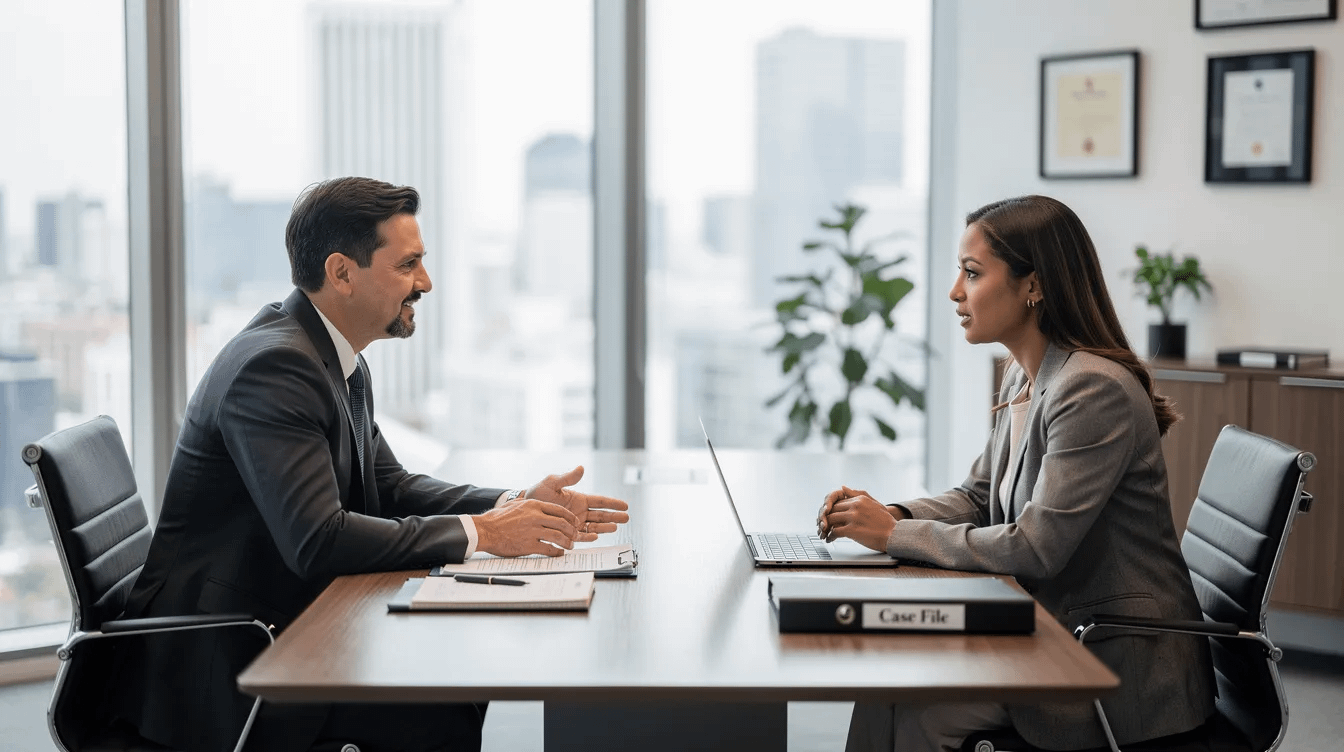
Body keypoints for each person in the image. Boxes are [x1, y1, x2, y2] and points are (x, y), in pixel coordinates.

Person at [111, 177, 630, 752]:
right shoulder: (276, 368)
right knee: (442, 699)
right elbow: (319, 540)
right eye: (408, 265)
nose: (425, 283)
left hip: (291, 625)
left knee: (449, 680)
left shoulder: (332, 356)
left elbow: (390, 484)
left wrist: (512, 505)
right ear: (341, 273)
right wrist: (485, 533)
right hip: (227, 669)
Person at [819, 195, 1216, 752]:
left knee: (920, 714)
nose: (955, 291)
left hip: (1115, 662)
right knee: (887, 690)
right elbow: (978, 496)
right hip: (1057, 631)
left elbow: (1036, 548)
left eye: (973, 273)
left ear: (1034, 285)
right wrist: (895, 515)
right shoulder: (1025, 376)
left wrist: (893, 536)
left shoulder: (1089, 389)